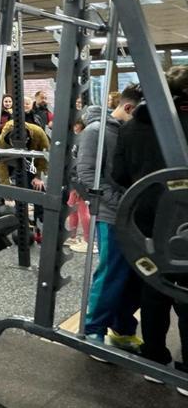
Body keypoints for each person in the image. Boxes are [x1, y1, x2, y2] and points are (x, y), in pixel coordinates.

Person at [112, 66, 187, 396]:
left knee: (154, 293)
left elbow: (119, 175)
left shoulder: (130, 130)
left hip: (146, 222)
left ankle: (154, 362)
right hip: (183, 223)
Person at [79, 84, 145, 352]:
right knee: (111, 274)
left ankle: (122, 329)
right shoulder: (96, 132)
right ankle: (93, 329)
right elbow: (86, 176)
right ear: (128, 108)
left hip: (133, 214)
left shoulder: (131, 131)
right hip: (111, 214)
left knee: (134, 276)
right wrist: (124, 203)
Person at [65, 118, 93, 253]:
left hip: (79, 179)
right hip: (74, 178)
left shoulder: (83, 140)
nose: (74, 128)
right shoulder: (77, 139)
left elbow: (82, 163)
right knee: (72, 208)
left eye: (76, 125)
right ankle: (73, 236)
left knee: (82, 210)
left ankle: (89, 241)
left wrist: (79, 183)